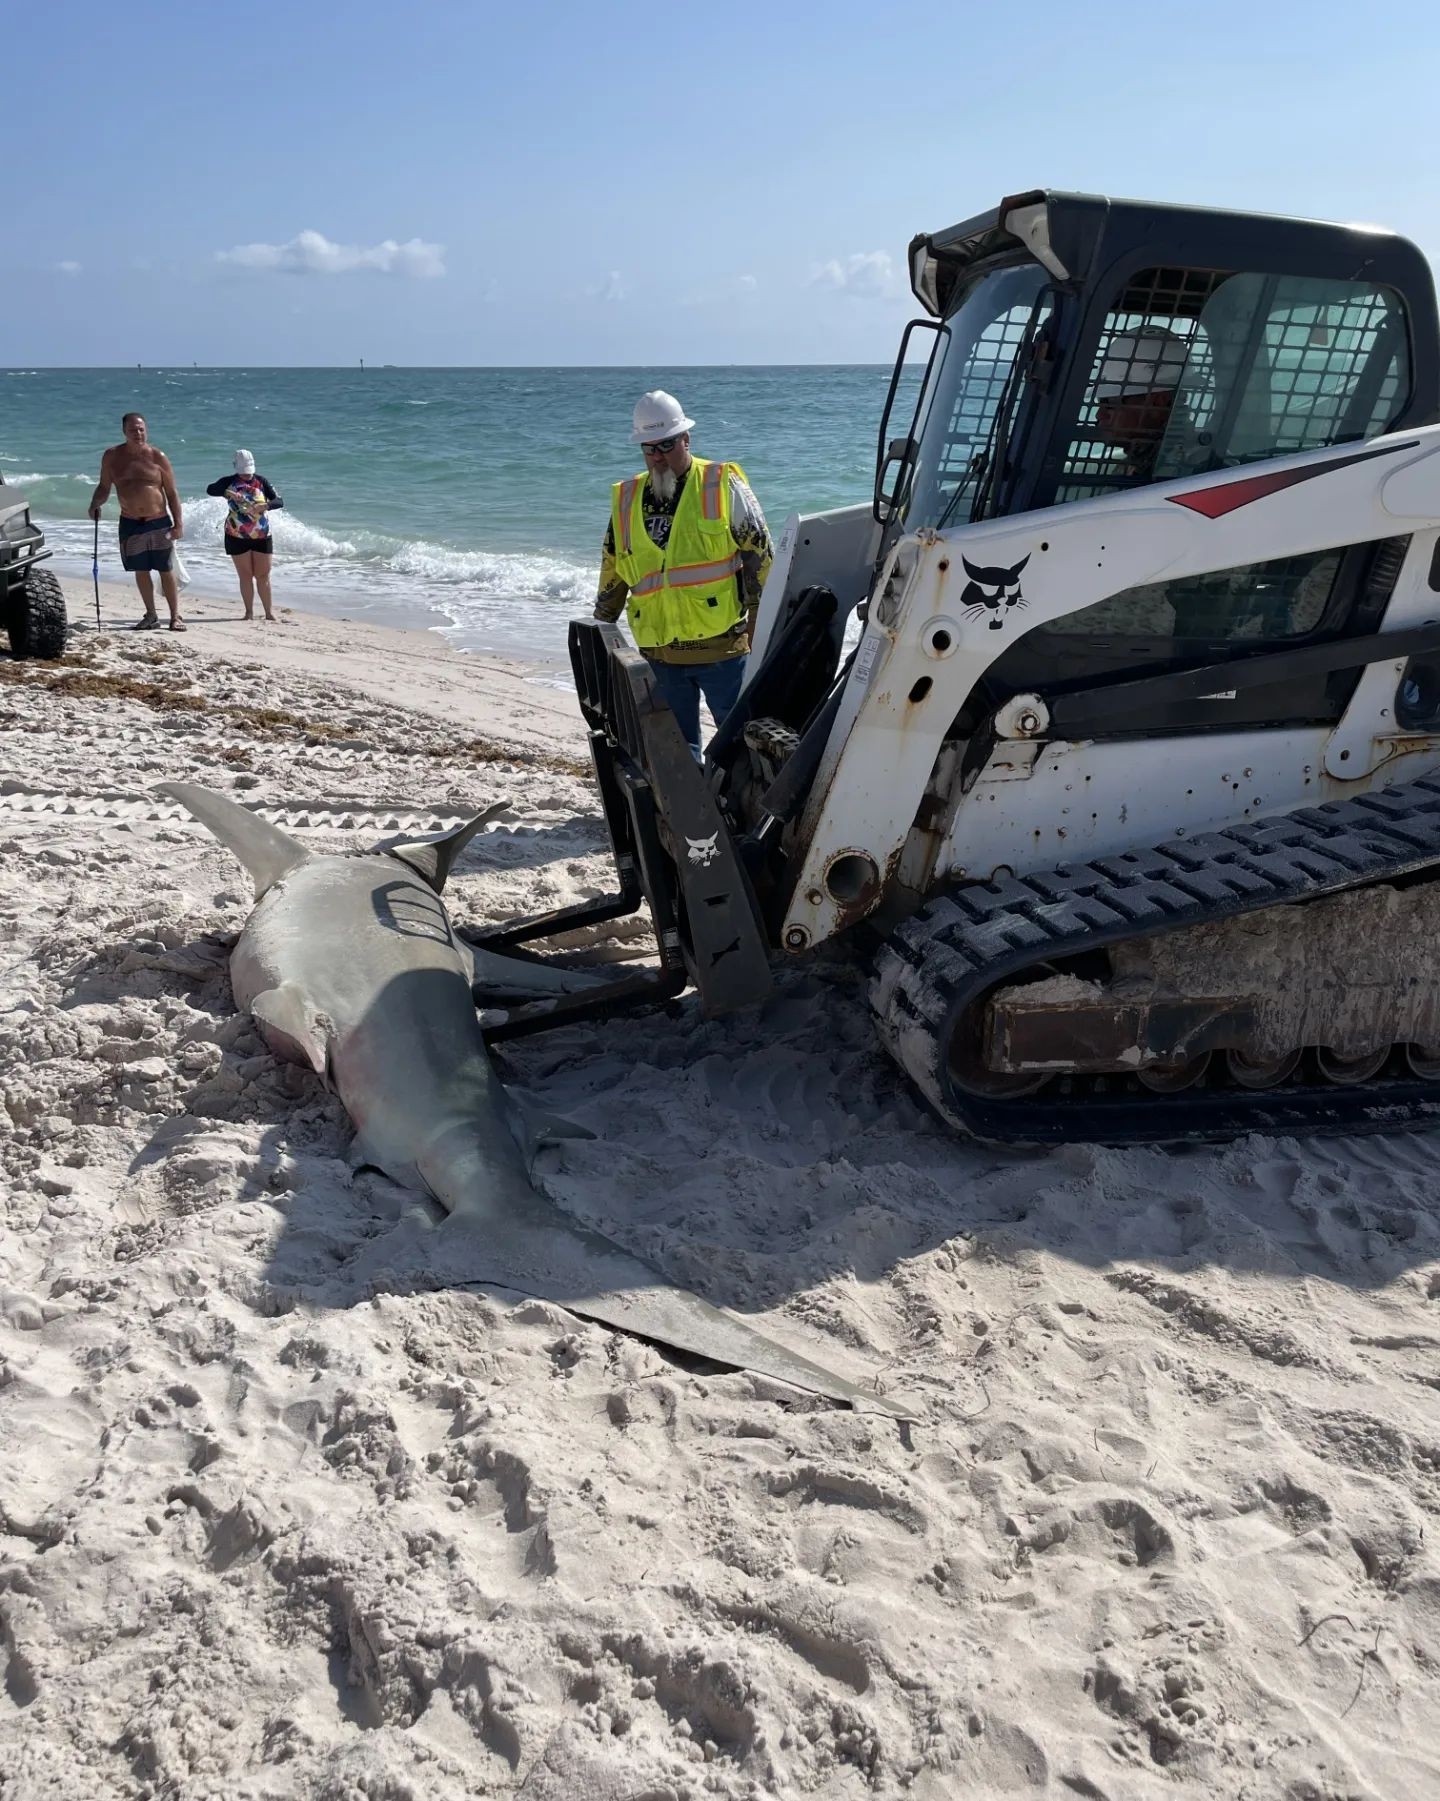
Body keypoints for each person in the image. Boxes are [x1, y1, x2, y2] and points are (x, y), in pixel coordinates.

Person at [594, 390, 773, 758]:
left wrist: (761, 625)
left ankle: (736, 812)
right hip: (659, 653)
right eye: (650, 448)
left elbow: (760, 555)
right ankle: (690, 813)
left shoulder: (720, 483)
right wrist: (602, 625)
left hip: (721, 647)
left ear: (686, 439)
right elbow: (613, 565)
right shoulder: (627, 498)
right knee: (676, 751)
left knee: (738, 746)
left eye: (667, 444)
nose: (659, 457)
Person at [88, 412, 185, 631]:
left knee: (165, 568)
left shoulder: (157, 456)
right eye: (133, 430)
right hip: (130, 522)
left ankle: (175, 616)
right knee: (140, 570)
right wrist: (95, 504)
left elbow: (171, 492)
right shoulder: (112, 457)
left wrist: (178, 524)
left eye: (141, 429)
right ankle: (151, 615)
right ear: (124, 432)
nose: (138, 433)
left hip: (158, 521)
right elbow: (104, 487)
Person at [1091, 325, 1216, 484]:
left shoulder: (1198, 471)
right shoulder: (1139, 465)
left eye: (1110, 403)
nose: (1099, 415)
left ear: (1158, 402)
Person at [206, 450, 284, 621]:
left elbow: (279, 501)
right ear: (236, 468)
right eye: (243, 471)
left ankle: (269, 613)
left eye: (248, 471)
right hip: (236, 535)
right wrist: (228, 493)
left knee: (263, 575)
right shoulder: (229, 481)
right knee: (245, 575)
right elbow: (210, 489)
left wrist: (264, 506)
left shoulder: (261, 481)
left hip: (262, 535)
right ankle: (248, 612)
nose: (247, 475)